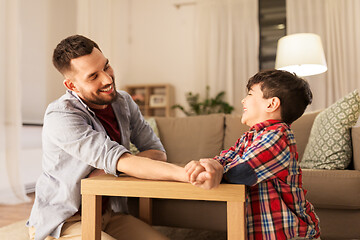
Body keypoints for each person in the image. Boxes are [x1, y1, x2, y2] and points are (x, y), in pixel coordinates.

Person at [26, 35, 189, 240]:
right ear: (72, 86)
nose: (107, 79)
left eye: (106, 66)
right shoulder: (61, 116)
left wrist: (108, 170)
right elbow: (118, 159)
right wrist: (187, 174)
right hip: (64, 222)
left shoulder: (123, 102)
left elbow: (157, 152)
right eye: (93, 76)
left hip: (107, 215)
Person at [185, 70, 321, 240]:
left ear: (271, 104)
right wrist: (209, 165)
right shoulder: (250, 136)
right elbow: (226, 158)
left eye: (249, 94)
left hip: (291, 235)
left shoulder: (278, 136)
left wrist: (213, 170)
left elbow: (241, 172)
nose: (243, 100)